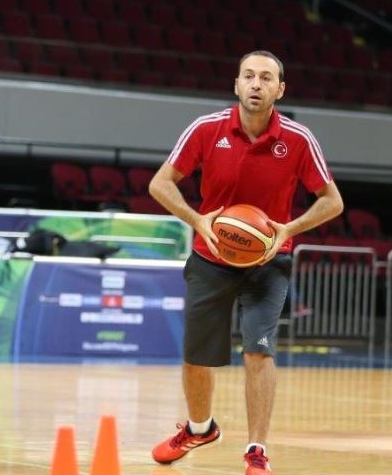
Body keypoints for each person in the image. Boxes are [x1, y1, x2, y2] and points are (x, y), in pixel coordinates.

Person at [148, 50, 343, 475]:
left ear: (280, 89)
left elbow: (333, 201)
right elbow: (160, 184)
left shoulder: (298, 139)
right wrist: (198, 220)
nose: (256, 84)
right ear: (236, 84)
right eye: (249, 76)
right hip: (210, 257)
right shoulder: (206, 129)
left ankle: (257, 451)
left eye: (266, 78)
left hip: (268, 263)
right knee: (196, 356)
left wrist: (288, 230)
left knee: (259, 351)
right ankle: (200, 429)